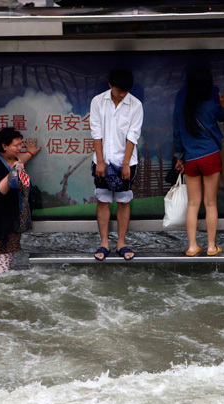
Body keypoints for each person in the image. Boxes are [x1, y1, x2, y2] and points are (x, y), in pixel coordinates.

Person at [173, 67, 224, 257]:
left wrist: (179, 156)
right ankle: (210, 246)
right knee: (210, 204)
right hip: (210, 157)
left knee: (193, 204)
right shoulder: (211, 105)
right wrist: (222, 104)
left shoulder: (184, 107)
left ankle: (192, 246)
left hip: (191, 159)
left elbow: (177, 133)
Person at [90, 68, 144, 261]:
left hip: (127, 160)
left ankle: (121, 242)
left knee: (123, 201)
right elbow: (96, 133)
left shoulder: (135, 105)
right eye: (119, 91)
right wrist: (101, 162)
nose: (123, 95)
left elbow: (133, 135)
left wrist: (126, 164)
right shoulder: (98, 101)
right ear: (110, 85)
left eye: (126, 91)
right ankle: (104, 242)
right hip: (103, 159)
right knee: (103, 200)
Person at [0, 127, 41, 275]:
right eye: (16, 145)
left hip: (11, 215)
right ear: (4, 146)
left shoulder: (11, 159)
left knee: (8, 253)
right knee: (4, 254)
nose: (20, 148)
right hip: (1, 218)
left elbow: (18, 161)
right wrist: (14, 172)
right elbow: (0, 191)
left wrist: (31, 152)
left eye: (21, 144)